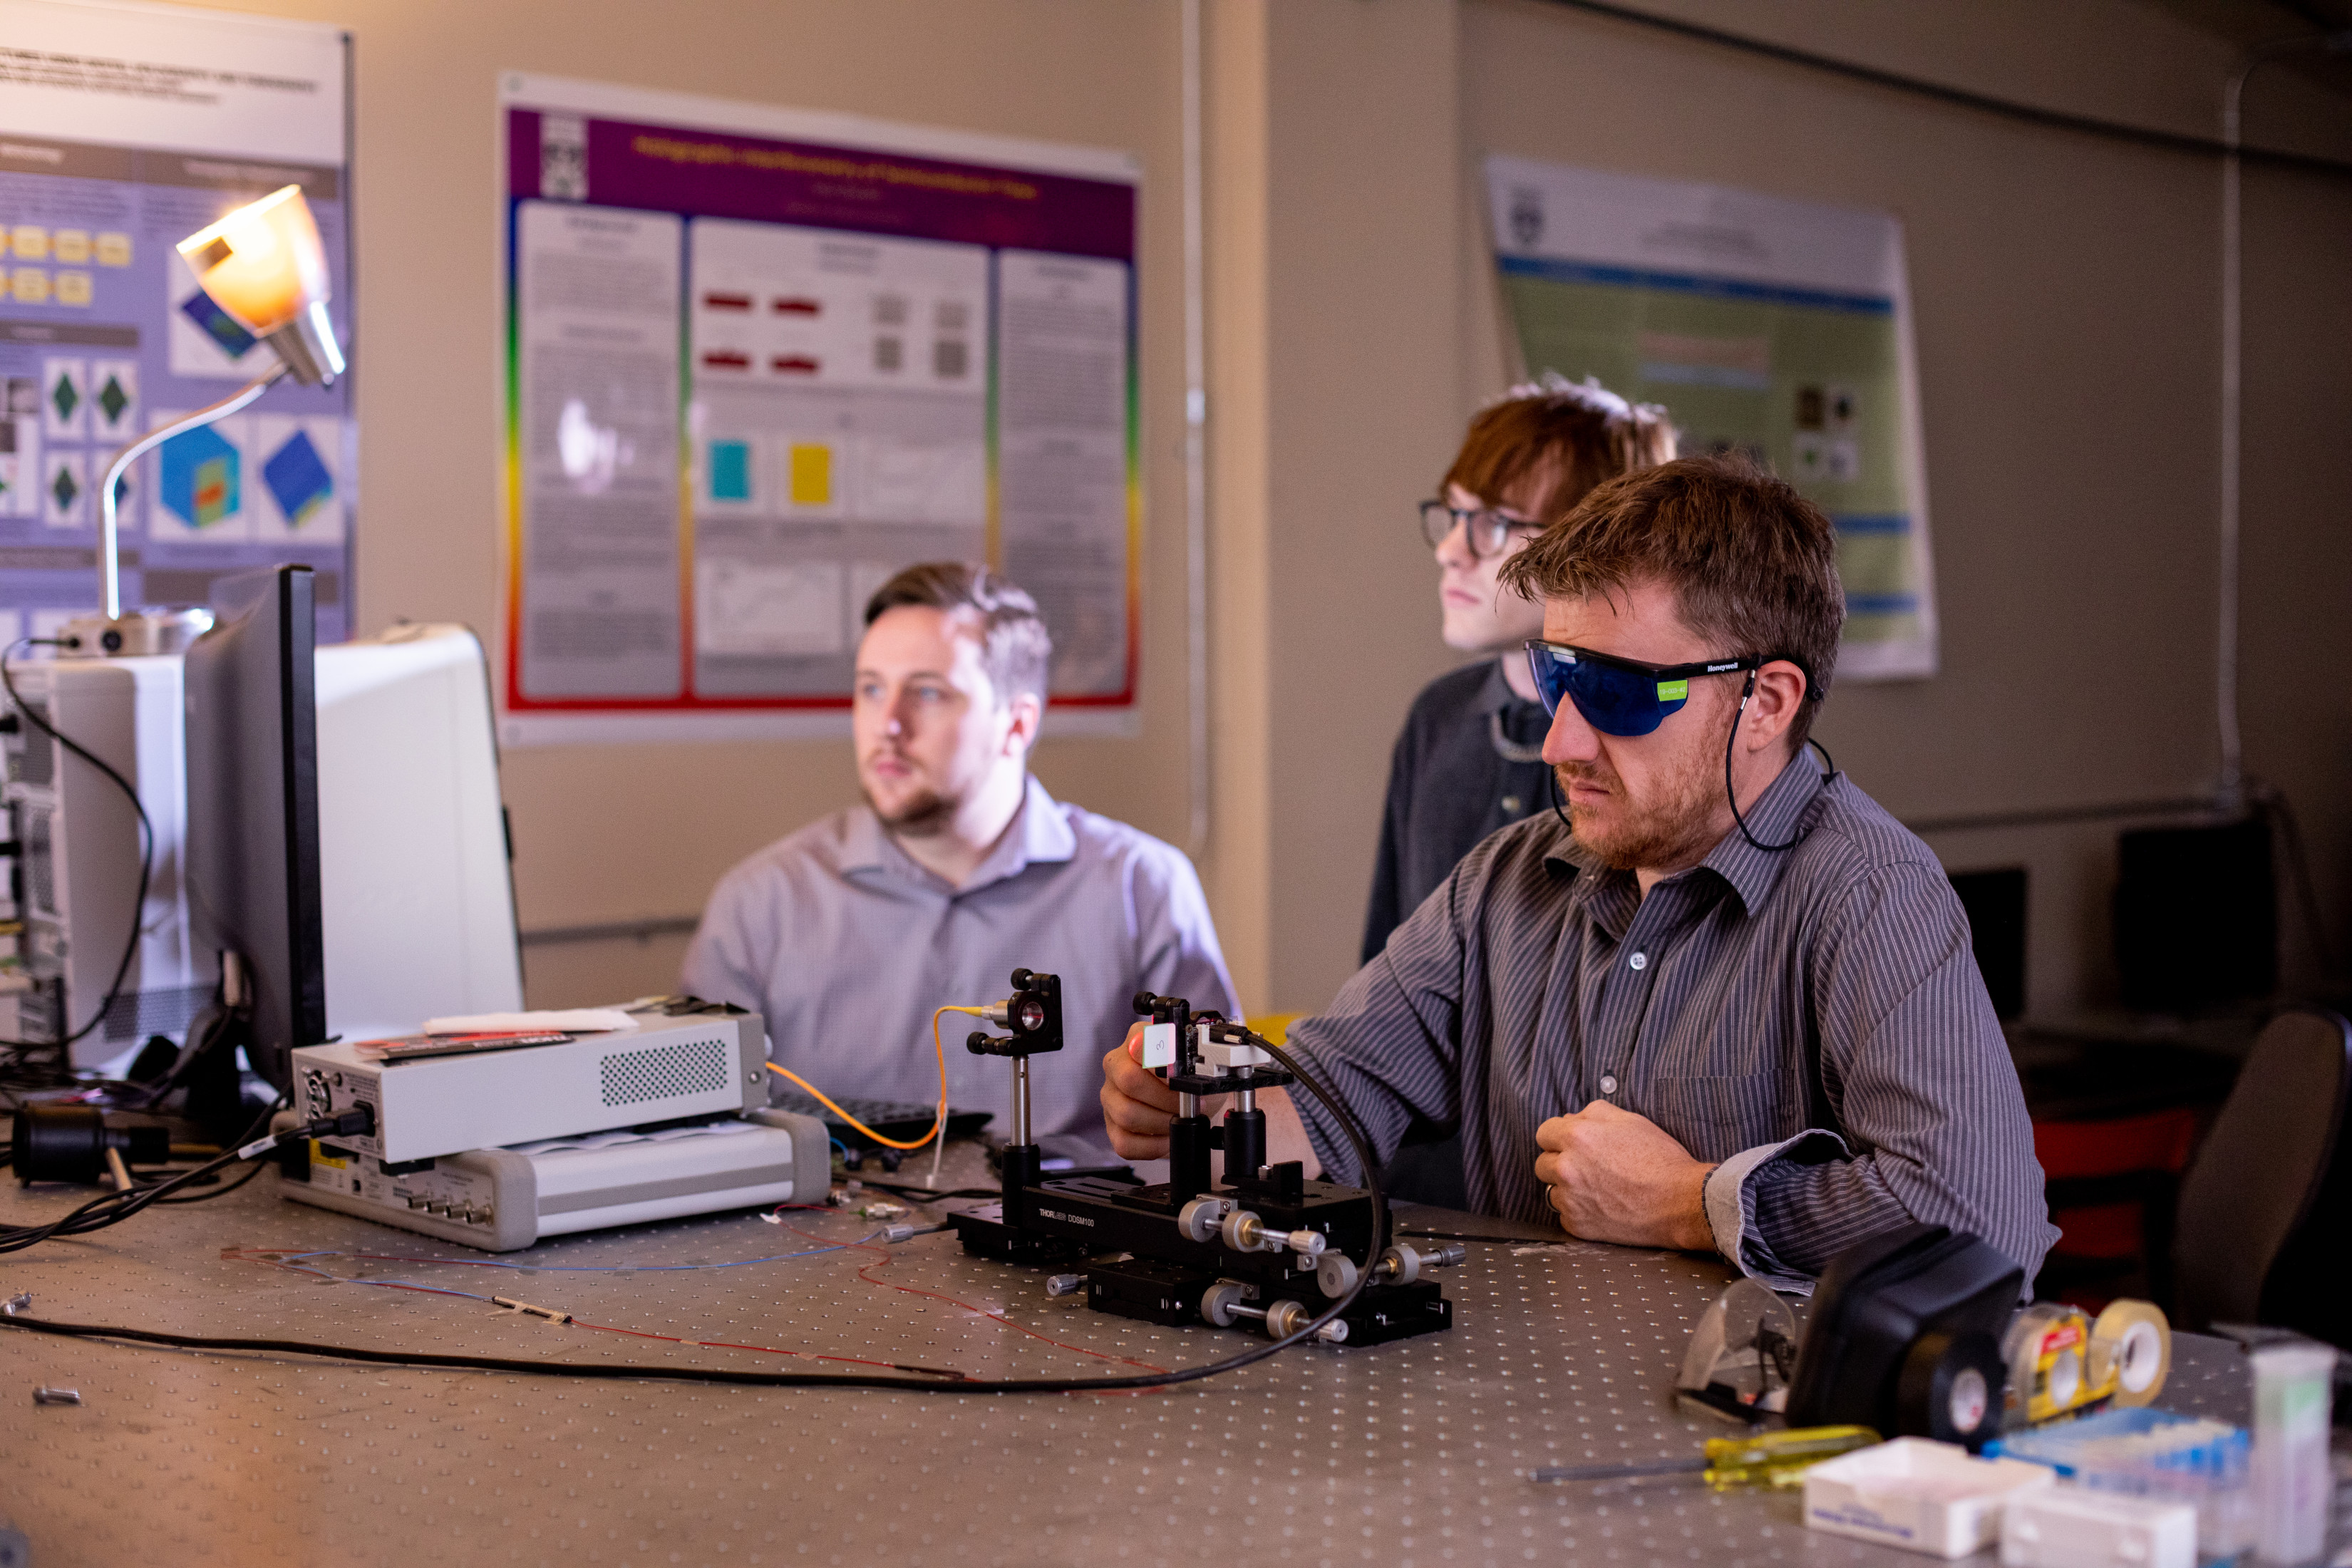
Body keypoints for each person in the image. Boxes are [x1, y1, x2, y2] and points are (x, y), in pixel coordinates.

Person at [1101, 457, 2056, 1291]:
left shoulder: (1868, 897)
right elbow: (1337, 1098)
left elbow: (1979, 1218)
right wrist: (1212, 1108)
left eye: (1611, 693)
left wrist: (1691, 1203)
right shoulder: (1506, 887)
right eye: (1557, 678)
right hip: (1517, 1427)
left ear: (1764, 702)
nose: (1560, 741)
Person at [686, 562, 1240, 1144]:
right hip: (832, 1231)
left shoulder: (1142, 888)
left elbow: (1215, 1121)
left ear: (1017, 724)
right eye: (871, 688)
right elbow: (699, 1133)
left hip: (1073, 1226)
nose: (887, 725)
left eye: (927, 692)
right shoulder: (761, 902)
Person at [1363, 374, 1674, 962]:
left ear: (1600, 543)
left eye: (1496, 523)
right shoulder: (1439, 716)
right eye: (1454, 514)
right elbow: (1384, 960)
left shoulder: (1643, 732)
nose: (1451, 550)